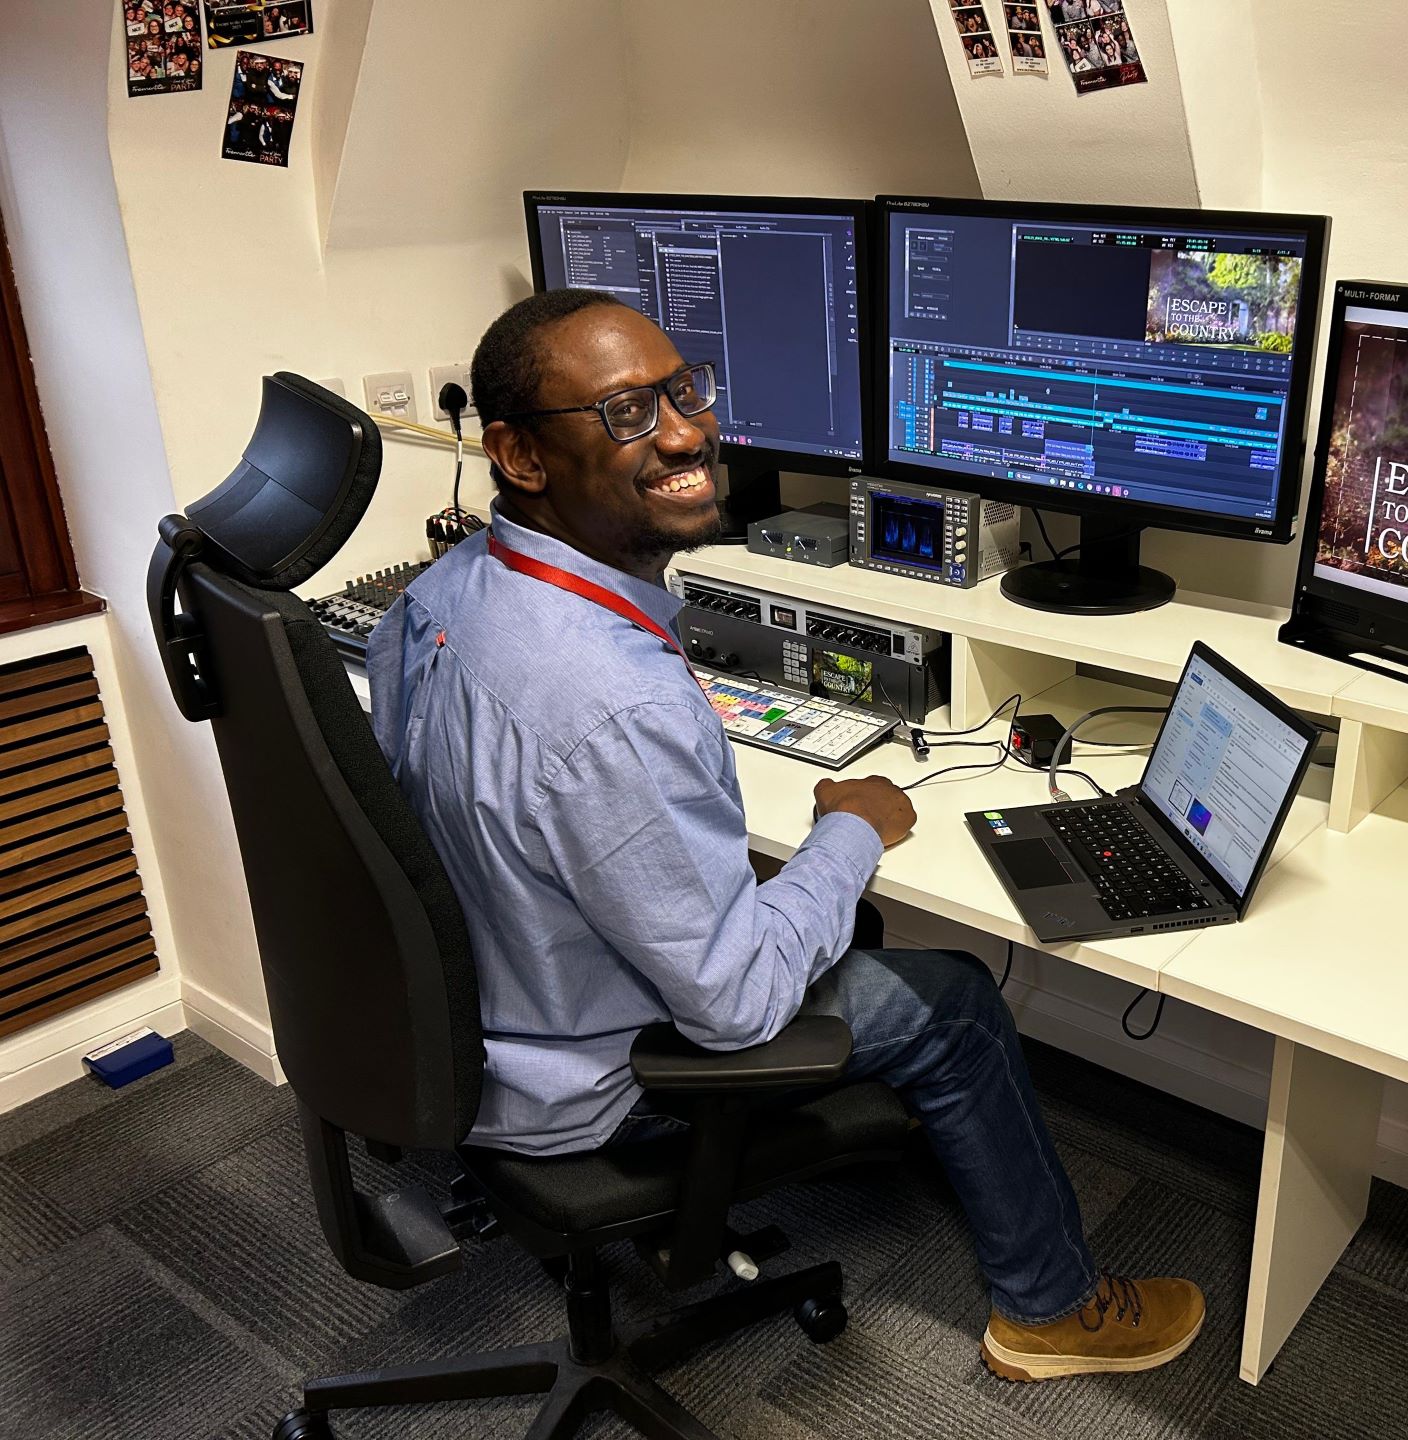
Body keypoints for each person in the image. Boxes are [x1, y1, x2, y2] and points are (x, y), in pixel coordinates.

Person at [367, 290, 1205, 1384]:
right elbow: (734, 1003)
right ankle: (1050, 1310)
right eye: (624, 413)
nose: (680, 432)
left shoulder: (436, 596)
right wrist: (849, 832)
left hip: (479, 1024)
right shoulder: (611, 704)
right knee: (953, 997)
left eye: (682, 391)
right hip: (592, 1080)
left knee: (829, 915)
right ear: (519, 454)